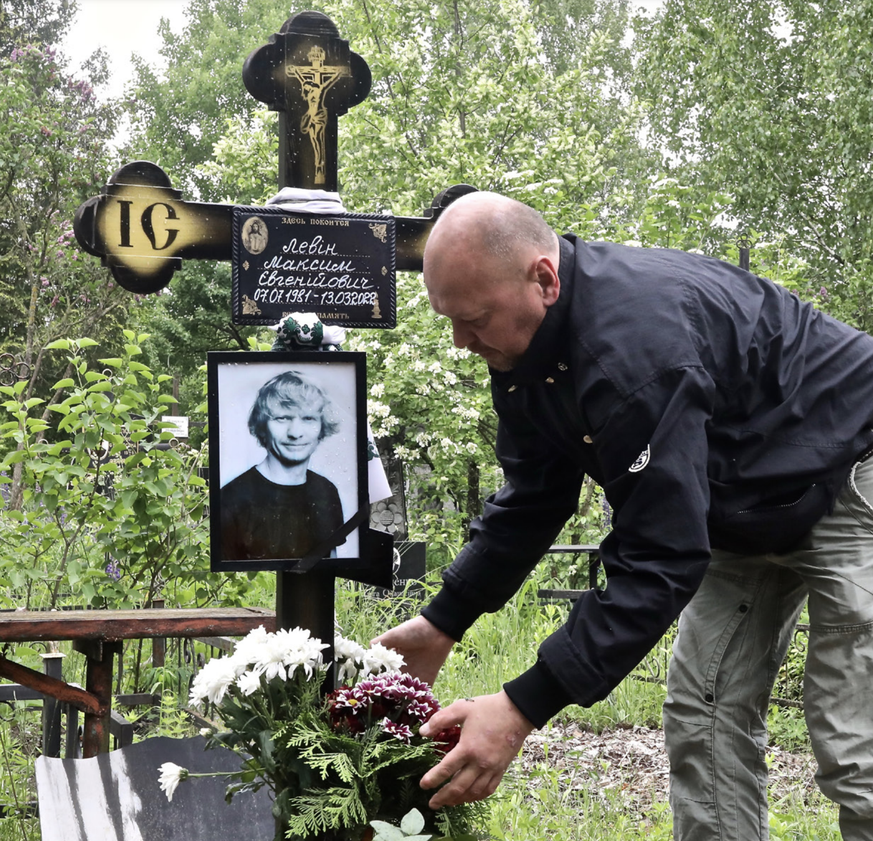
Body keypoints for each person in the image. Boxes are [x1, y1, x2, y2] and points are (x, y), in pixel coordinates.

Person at [374, 191, 873, 841]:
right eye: (450, 319)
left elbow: (659, 556)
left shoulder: (635, 347)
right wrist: (442, 620)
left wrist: (521, 705)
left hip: (851, 466)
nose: (460, 341)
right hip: (738, 502)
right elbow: (533, 495)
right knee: (704, 712)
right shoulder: (523, 352)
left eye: (472, 319)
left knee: (853, 738)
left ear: (543, 279)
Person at [220, 370, 344, 561]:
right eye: (282, 418)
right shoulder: (231, 498)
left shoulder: (326, 491)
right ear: (263, 425)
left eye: (308, 418)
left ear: (322, 426)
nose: (295, 433)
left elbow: (331, 564)